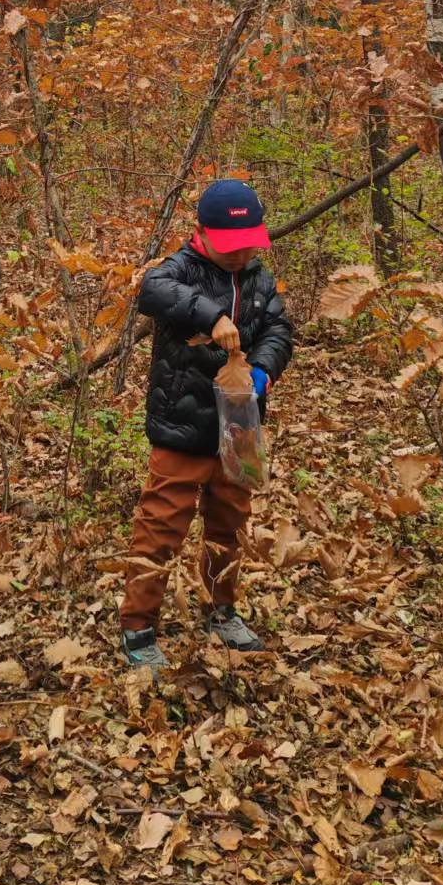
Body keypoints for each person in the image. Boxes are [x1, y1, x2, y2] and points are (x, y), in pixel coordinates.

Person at [119, 178, 293, 668]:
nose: (241, 255)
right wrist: (212, 316)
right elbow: (152, 290)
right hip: (182, 426)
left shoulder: (258, 279)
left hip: (240, 425)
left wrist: (263, 370)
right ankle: (138, 626)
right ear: (202, 235)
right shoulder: (180, 269)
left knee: (229, 522)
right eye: (231, 246)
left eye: (248, 245)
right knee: (161, 524)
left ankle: (222, 609)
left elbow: (279, 329)